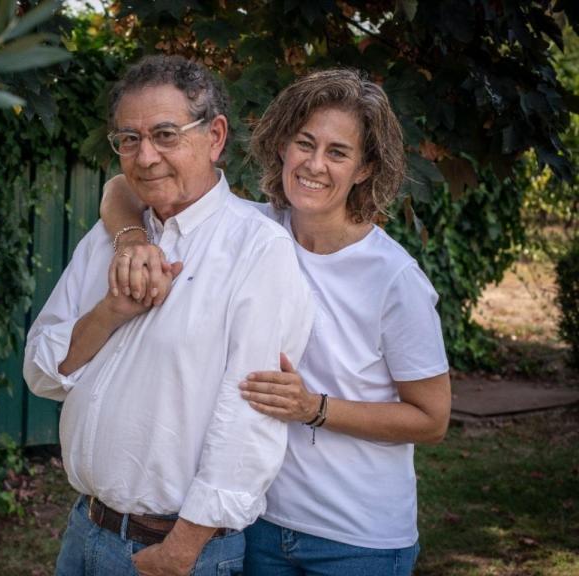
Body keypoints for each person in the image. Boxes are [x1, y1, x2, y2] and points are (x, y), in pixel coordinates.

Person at [100, 68, 452, 576]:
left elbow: (432, 419)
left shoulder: (394, 278)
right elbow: (119, 187)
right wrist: (132, 241)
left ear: (365, 168)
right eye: (304, 144)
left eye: (338, 152)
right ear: (283, 146)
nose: (314, 164)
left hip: (356, 540)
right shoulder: (252, 230)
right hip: (258, 524)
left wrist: (316, 408)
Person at [23, 55, 315, 576]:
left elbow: (248, 419)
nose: (145, 156)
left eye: (165, 134)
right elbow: (43, 371)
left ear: (215, 136)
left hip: (173, 551)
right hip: (85, 529)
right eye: (129, 139)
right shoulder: (109, 239)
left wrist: (182, 550)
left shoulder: (257, 249)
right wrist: (110, 311)